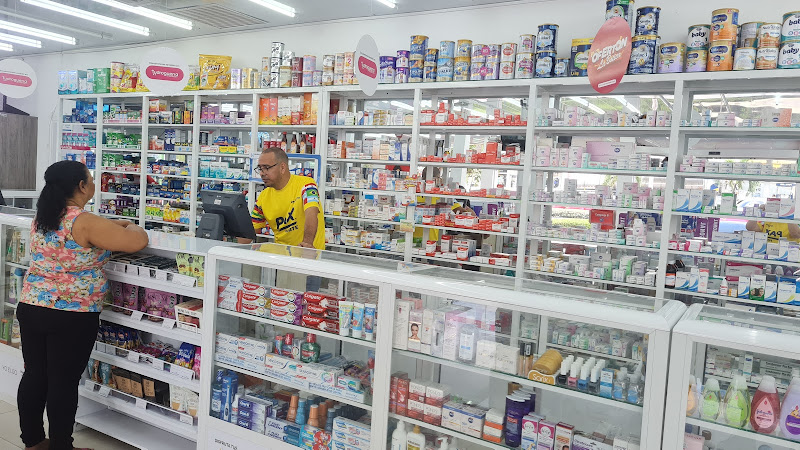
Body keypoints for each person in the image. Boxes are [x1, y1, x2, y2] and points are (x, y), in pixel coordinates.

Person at [17, 161, 149, 450]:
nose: (93, 183)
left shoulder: (45, 216)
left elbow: (94, 231)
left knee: (35, 375)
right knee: (63, 382)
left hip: (32, 305)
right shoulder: (84, 220)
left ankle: (33, 443)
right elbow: (136, 242)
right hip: (71, 314)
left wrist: (113, 225)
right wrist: (134, 225)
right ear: (81, 186)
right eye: (90, 179)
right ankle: (62, 446)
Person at [250, 147, 325, 249]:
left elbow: (311, 213)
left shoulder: (306, 184)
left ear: (282, 168)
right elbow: (250, 231)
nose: (262, 173)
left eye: (266, 167)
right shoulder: (263, 197)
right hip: (282, 258)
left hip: (309, 256)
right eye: (260, 168)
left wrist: (307, 244)